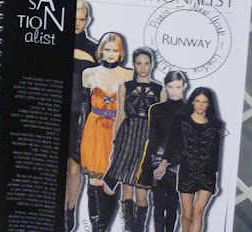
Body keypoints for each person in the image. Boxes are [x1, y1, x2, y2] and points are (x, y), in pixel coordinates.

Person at [103, 47, 165, 232]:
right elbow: (120, 115)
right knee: (127, 188)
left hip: (147, 141)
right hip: (127, 137)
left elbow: (162, 123)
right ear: (134, 65)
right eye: (139, 63)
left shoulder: (160, 90)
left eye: (146, 63)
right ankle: (129, 229)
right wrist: (115, 145)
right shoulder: (125, 86)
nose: (143, 67)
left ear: (152, 64)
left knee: (142, 193)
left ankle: (139, 229)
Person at [80, 32, 133, 232]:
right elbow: (84, 108)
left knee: (111, 181)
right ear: (100, 51)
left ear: (121, 53)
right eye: (107, 49)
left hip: (118, 132)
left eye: (115, 50)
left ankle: (103, 227)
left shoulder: (129, 75)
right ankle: (97, 228)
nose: (111, 53)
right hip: (94, 131)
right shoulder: (89, 73)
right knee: (94, 180)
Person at [155, 88, 221, 232]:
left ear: (209, 104)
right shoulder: (181, 121)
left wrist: (215, 178)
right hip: (187, 171)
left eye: (204, 102)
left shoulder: (215, 125)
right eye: (198, 101)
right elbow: (171, 144)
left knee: (198, 213)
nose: (200, 105)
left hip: (207, 174)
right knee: (187, 214)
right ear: (192, 102)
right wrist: (163, 164)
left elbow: (215, 153)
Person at [137, 71, 188, 232]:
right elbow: (152, 139)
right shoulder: (156, 109)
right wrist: (146, 166)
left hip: (178, 164)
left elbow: (184, 142)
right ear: (165, 87)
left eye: (178, 87)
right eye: (171, 87)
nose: (174, 91)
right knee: (158, 204)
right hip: (156, 161)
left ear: (184, 87)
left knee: (172, 205)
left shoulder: (188, 111)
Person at [64, 1, 98, 232]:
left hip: (83, 115)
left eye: (81, 19)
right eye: (74, 18)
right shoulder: (52, 42)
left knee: (75, 167)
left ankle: (70, 212)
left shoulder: (96, 49)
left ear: (88, 21)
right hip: (55, 111)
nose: (77, 23)